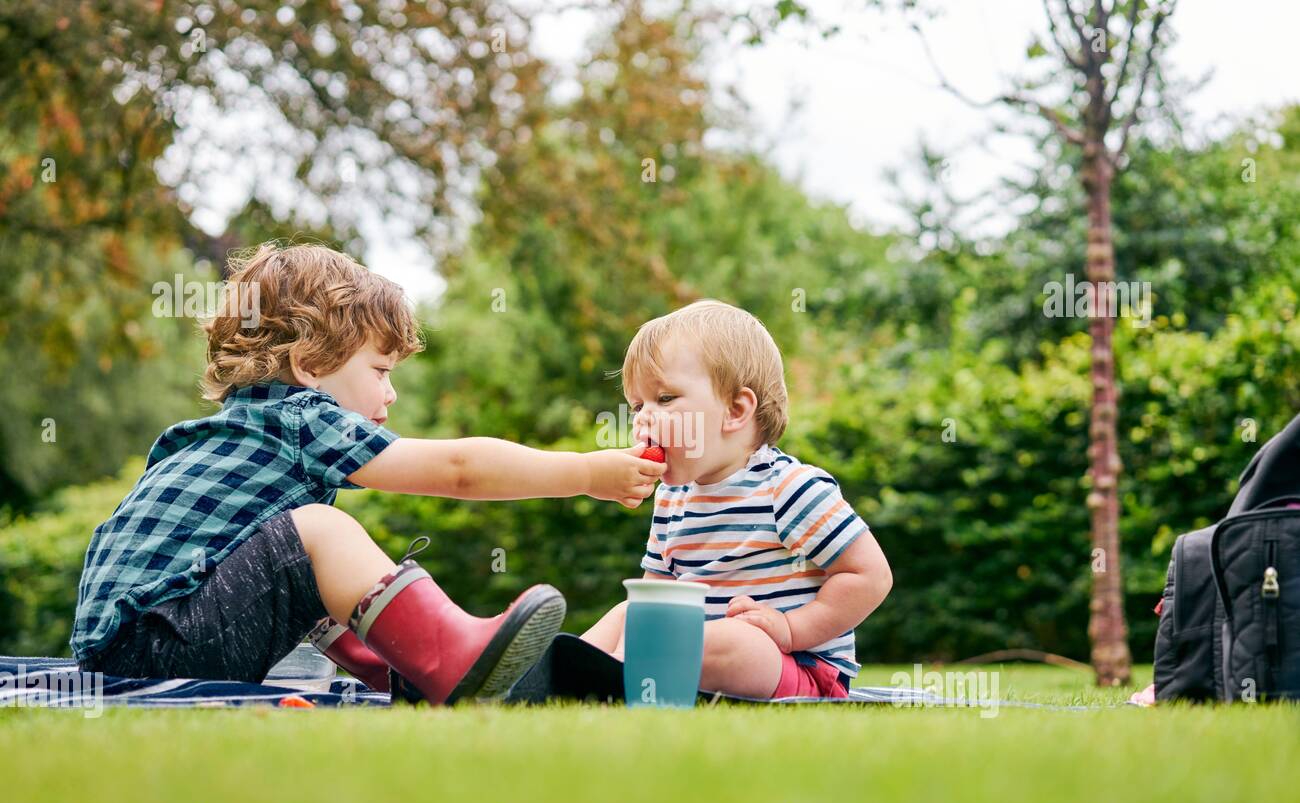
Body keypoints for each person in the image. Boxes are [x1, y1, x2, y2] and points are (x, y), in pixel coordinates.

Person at [71, 242, 665, 704]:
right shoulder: (303, 418)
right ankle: (452, 656)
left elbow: (302, 597)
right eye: (380, 369)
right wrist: (589, 472)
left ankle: (419, 673)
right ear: (307, 366)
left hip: (121, 655)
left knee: (314, 552)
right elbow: (458, 469)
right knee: (320, 532)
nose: (392, 390)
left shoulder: (225, 436)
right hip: (158, 645)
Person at [579, 300, 892, 698]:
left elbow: (870, 576)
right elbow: (656, 595)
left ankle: (616, 677)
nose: (641, 418)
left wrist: (792, 629)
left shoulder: (790, 487)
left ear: (736, 410)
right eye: (638, 405)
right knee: (631, 612)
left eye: (666, 399)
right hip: (695, 658)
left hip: (796, 666)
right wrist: (639, 623)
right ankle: (560, 670)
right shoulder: (672, 498)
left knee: (739, 640)